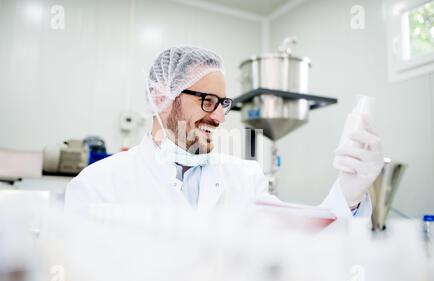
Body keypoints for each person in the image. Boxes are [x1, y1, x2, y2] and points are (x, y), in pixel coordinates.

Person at [64, 46, 384, 218]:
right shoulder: (99, 184)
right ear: (162, 97)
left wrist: (349, 194)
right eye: (207, 101)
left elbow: (294, 248)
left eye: (223, 104)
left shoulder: (245, 179)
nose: (219, 117)